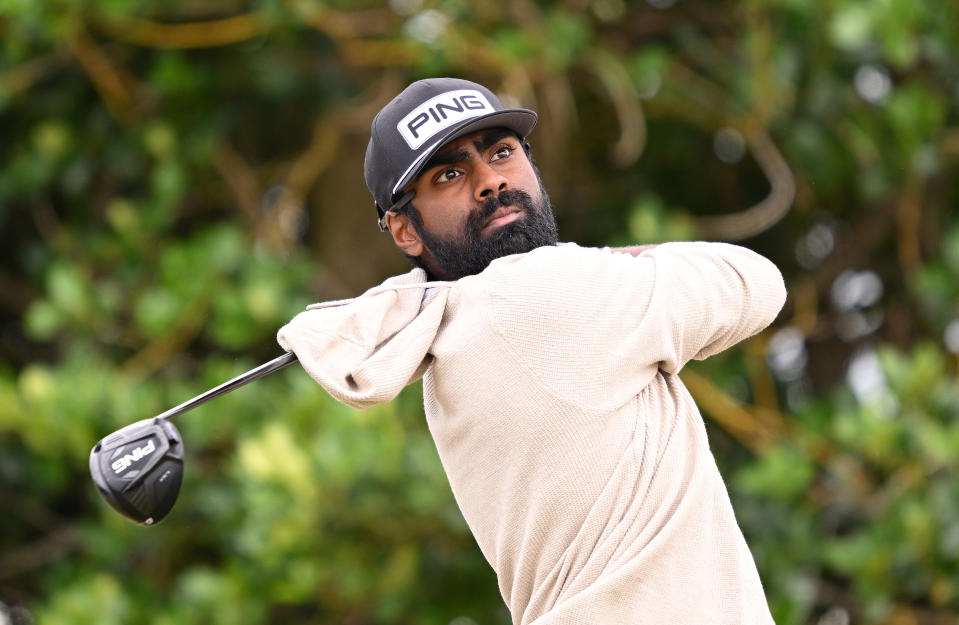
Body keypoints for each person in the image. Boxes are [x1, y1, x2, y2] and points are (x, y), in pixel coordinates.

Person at [278, 77, 786, 624]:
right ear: (403, 230)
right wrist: (621, 258)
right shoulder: (537, 293)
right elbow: (754, 283)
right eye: (450, 173)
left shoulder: (442, 335)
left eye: (501, 152)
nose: (490, 181)